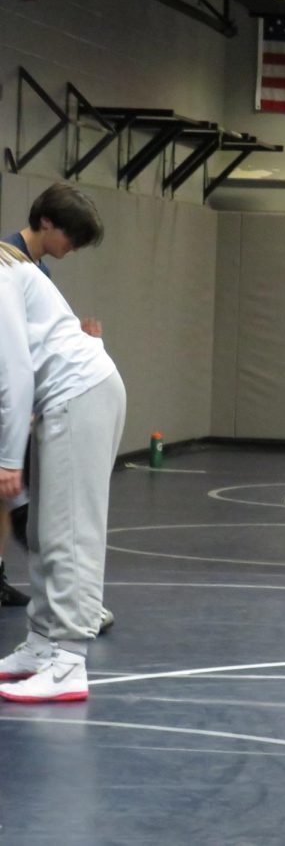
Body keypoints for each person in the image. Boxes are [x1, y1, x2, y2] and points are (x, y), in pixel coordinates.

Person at [0, 242, 126, 703]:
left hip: (80, 393)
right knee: (41, 529)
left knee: (70, 531)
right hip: (60, 399)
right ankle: (40, 645)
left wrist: (9, 459)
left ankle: (69, 660)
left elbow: (13, 372)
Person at [0, 182, 111, 630]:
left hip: (30, 398)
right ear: (48, 222)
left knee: (29, 505)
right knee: (27, 504)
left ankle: (65, 607)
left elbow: (27, 347)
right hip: (20, 399)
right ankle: (70, 612)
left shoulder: (32, 268)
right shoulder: (10, 261)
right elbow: (14, 360)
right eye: (72, 237)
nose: (73, 248)